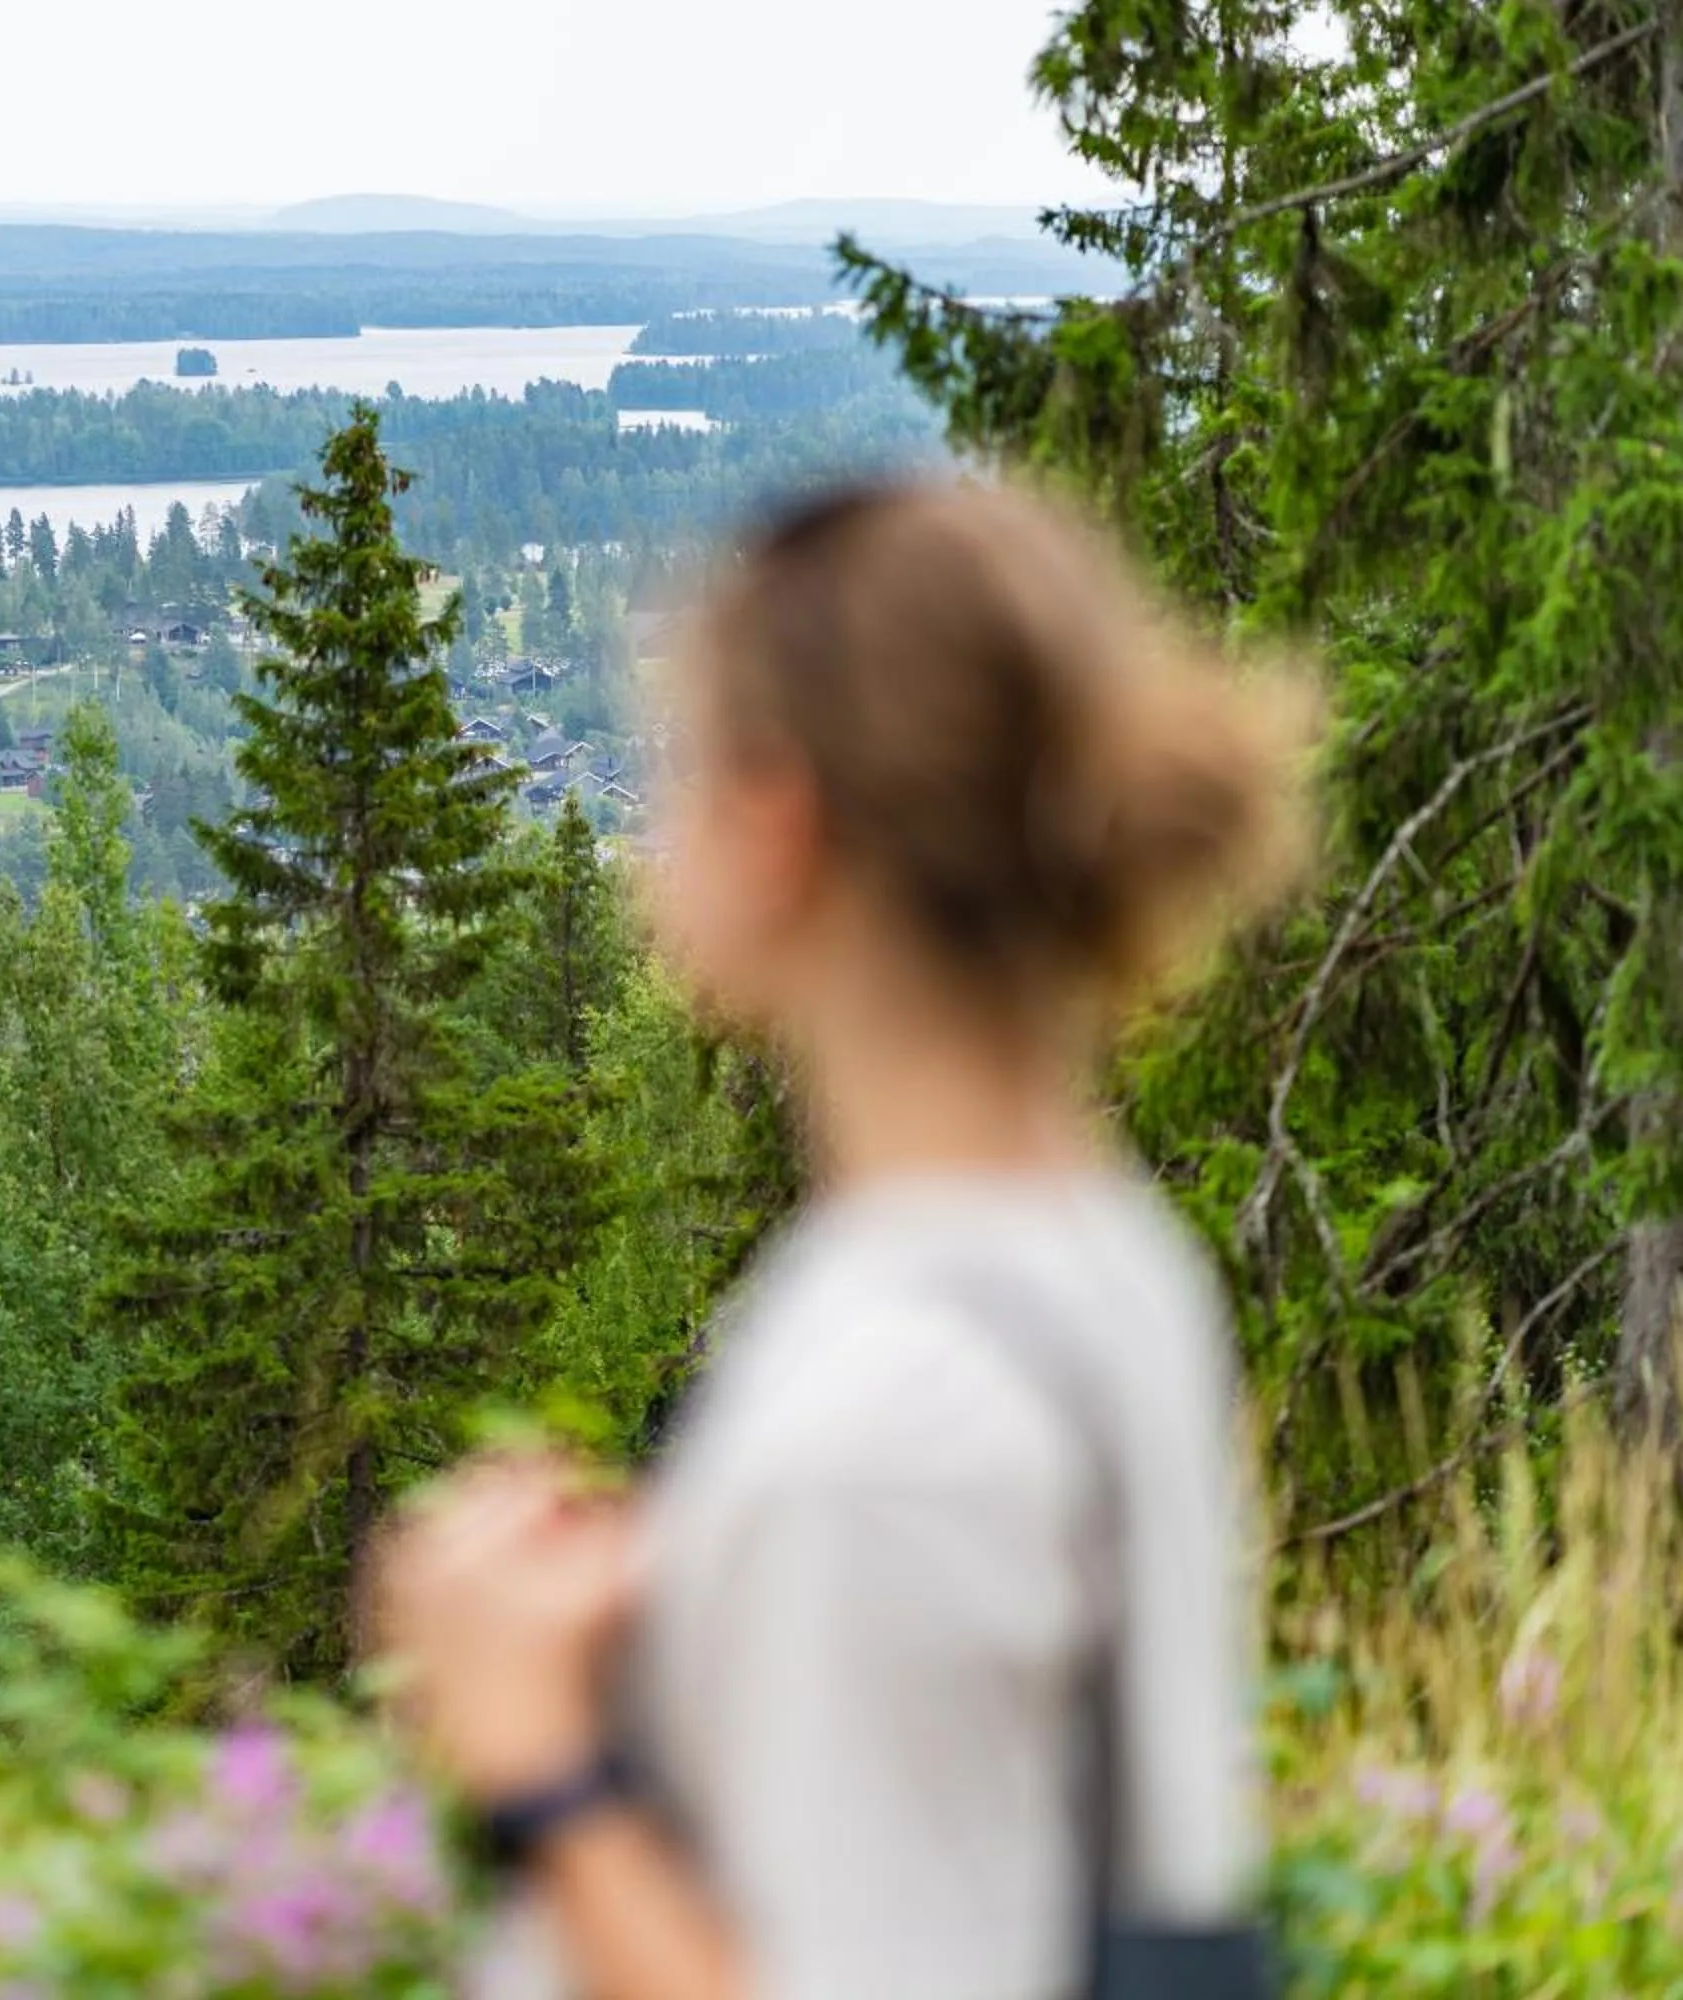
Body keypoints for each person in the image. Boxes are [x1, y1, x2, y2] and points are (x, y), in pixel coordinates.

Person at [369, 481, 1309, 2000]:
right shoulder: (1100, 1261)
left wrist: (535, 1755)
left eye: (673, 770)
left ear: (776, 821)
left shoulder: (882, 1416)